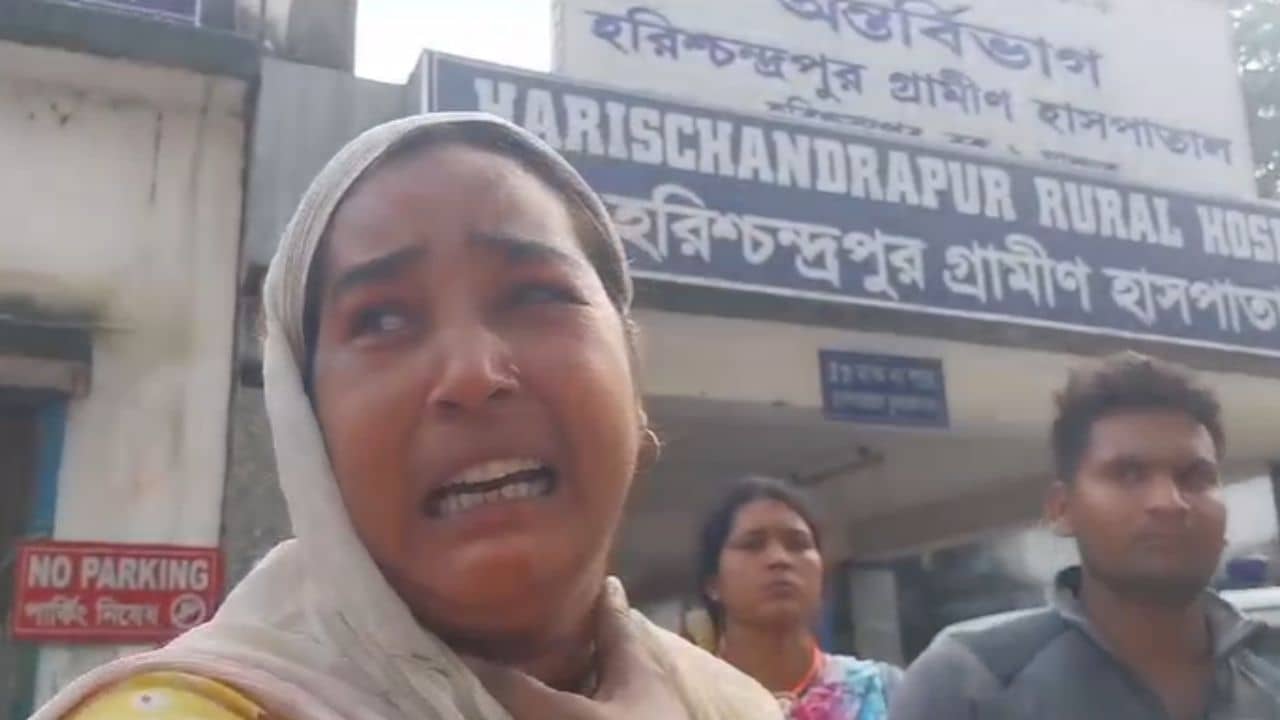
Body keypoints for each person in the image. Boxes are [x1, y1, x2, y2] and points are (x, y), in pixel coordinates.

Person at [34, 114, 782, 720]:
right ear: (306, 423)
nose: (472, 374)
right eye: (383, 319)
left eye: (534, 294)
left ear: (633, 374)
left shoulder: (728, 705)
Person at [890, 352, 1280, 720]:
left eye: (1194, 477)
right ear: (1062, 509)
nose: (1169, 502)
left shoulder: (1270, 669)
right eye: (1129, 474)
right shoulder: (973, 679)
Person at [697, 476, 901, 719]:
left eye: (798, 544)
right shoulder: (682, 702)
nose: (779, 559)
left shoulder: (886, 693)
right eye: (752, 545)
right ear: (713, 583)